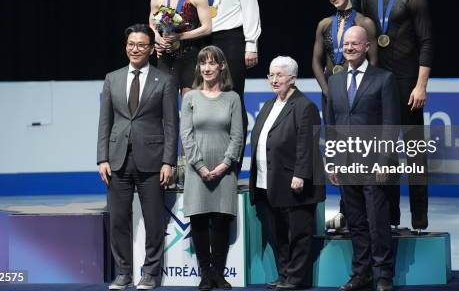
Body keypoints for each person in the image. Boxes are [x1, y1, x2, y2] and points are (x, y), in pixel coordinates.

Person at [97, 24, 179, 290]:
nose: (135, 49)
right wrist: (102, 158)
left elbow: (171, 124)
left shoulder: (164, 80)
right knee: (119, 220)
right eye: (131, 44)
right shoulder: (112, 78)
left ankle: (150, 274)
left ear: (151, 48)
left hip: (153, 161)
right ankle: (123, 273)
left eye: (142, 45)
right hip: (117, 159)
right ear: (126, 46)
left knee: (154, 221)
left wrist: (169, 160)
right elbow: (105, 122)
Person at [360, 0, 433, 231]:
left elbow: (427, 43)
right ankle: (390, 216)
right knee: (385, 152)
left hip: (407, 83)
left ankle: (419, 217)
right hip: (379, 84)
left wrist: (421, 85)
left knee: (415, 153)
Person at [326, 26, 400, 291]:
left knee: (377, 220)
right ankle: (362, 273)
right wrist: (331, 160)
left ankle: (383, 275)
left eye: (354, 44)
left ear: (367, 46)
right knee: (355, 222)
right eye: (345, 44)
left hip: (374, 164)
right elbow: (331, 125)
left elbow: (391, 124)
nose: (349, 48)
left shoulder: (384, 79)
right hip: (346, 163)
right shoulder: (334, 81)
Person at [187, 0, 262, 150]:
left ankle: (234, 161)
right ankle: (208, 155)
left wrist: (251, 43)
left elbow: (250, 4)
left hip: (230, 37)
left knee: (232, 98)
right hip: (201, 38)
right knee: (203, 97)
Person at [250, 56, 325, 290]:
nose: (274, 80)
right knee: (279, 233)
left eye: (279, 75)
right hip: (269, 181)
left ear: (293, 78)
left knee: (298, 234)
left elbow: (307, 144)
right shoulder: (270, 105)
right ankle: (284, 274)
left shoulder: (305, 106)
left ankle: (296, 278)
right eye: (271, 75)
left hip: (294, 181)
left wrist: (300, 174)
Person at [312, 0, 377, 233]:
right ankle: (345, 210)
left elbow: (374, 63)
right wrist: (329, 91)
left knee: (358, 150)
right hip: (331, 96)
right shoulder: (324, 24)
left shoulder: (365, 23)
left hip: (358, 97)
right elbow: (316, 62)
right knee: (338, 150)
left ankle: (361, 211)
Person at [180, 45, 244, 291]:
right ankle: (205, 273)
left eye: (212, 63)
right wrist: (199, 165)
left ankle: (218, 273)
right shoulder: (190, 98)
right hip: (197, 172)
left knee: (220, 221)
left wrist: (225, 164)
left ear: (222, 66)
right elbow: (186, 136)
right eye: (203, 63)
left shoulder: (233, 98)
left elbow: (238, 136)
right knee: (198, 221)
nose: (207, 68)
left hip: (224, 170)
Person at [149, 0, 212, 96]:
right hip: (165, 56)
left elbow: (207, 28)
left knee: (189, 104)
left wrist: (180, 36)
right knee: (165, 104)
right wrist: (157, 39)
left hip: (189, 56)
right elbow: (151, 24)